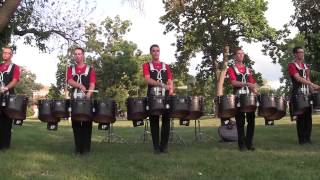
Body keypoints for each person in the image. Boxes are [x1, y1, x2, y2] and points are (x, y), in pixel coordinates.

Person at [142, 44, 174, 154]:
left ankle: (164, 147)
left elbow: (170, 80)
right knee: (154, 121)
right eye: (154, 51)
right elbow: (147, 79)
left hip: (166, 96)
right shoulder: (146, 65)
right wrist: (161, 85)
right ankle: (156, 147)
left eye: (158, 51)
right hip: (152, 95)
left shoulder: (166, 66)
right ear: (151, 53)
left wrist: (170, 89)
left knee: (166, 120)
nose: (156, 53)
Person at [227, 48, 258, 151]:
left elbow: (252, 83)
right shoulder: (231, 69)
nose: (241, 55)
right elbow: (233, 82)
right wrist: (247, 84)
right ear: (235, 56)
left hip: (249, 98)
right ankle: (242, 145)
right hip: (238, 97)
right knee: (240, 122)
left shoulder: (248, 69)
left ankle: (249, 143)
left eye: (242, 54)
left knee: (251, 121)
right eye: (238, 54)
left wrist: (255, 91)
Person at [288, 46, 320, 145]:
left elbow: (308, 79)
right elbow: (298, 78)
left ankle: (308, 139)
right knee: (301, 116)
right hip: (298, 93)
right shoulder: (292, 65)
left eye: (303, 52)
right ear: (295, 54)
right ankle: (302, 140)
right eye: (300, 52)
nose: (302, 54)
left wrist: (314, 90)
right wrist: (312, 84)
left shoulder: (306, 66)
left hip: (307, 94)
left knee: (308, 117)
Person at [67, 47, 96, 154]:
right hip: (75, 99)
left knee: (87, 124)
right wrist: (79, 85)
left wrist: (89, 93)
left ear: (83, 55)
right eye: (75, 54)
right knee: (76, 124)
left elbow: (92, 83)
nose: (77, 56)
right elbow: (70, 80)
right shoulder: (71, 68)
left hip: (86, 99)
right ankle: (78, 148)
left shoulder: (90, 69)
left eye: (79, 54)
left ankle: (86, 149)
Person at [0, 46, 21, 150]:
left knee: (7, 121)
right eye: (4, 52)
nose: (5, 54)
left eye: (8, 53)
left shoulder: (15, 67)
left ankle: (5, 146)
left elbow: (15, 80)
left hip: (9, 97)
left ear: (11, 55)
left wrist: (5, 88)